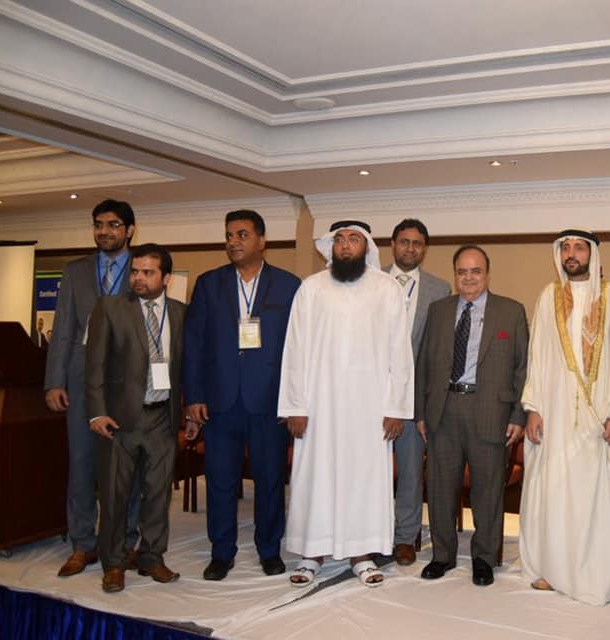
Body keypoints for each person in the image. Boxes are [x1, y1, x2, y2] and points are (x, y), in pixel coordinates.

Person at [278, 220, 413, 588]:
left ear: (366, 246)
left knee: (363, 479)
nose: (346, 245)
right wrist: (295, 406)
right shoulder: (311, 288)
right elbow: (295, 350)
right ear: (331, 246)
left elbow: (400, 353)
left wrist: (396, 408)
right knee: (316, 476)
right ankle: (312, 553)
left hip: (369, 410)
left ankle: (361, 554)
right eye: (339, 239)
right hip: (318, 407)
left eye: (354, 239)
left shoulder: (386, 289)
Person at [183, 209, 301, 580]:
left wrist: (293, 400)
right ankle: (222, 552)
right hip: (220, 401)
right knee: (220, 481)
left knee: (269, 479)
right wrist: (194, 396)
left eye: (242, 234)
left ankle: (269, 549)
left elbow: (298, 348)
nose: (233, 241)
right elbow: (194, 343)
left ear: (262, 240)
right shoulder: (209, 284)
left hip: (269, 401)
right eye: (229, 235)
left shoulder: (289, 285)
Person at [518, 229, 610, 605]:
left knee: (595, 497)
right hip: (555, 413)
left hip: (601, 414)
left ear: (592, 254)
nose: (571, 253)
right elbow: (537, 355)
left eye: (579, 247)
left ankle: (596, 574)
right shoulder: (547, 297)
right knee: (556, 491)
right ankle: (554, 569)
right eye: (565, 247)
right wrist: (533, 407)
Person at [416, 245, 528, 587]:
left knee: (488, 490)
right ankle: (442, 555)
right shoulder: (438, 310)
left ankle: (483, 558)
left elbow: (523, 368)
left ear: (487, 274)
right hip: (443, 409)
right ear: (455, 275)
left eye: (475, 271)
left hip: (491, 411)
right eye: (462, 271)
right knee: (440, 488)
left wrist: (518, 415)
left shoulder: (511, 311)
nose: (468, 278)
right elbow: (423, 364)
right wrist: (420, 412)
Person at [44, 199, 142, 577]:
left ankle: (124, 541)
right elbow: (63, 328)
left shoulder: (143, 267)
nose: (104, 231)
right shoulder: (76, 271)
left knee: (126, 470)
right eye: (99, 224)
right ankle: (83, 544)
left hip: (128, 385)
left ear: (129, 230)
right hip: (82, 381)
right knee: (82, 465)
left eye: (113, 225)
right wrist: (55, 380)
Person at [85, 243, 186, 593]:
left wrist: (188, 411)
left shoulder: (180, 313)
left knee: (158, 494)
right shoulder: (110, 308)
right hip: (119, 421)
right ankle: (113, 564)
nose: (139, 278)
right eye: (135, 271)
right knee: (115, 496)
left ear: (166, 278)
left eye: (148, 272)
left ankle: (151, 557)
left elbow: (184, 367)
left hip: (162, 418)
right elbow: (94, 364)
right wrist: (97, 412)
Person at [381, 218, 451, 566]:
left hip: (413, 398)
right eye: (404, 241)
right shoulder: (370, 280)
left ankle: (405, 538)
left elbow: (438, 348)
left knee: (410, 471)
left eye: (417, 243)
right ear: (393, 244)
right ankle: (373, 534)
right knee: (371, 471)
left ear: (424, 249)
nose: (410, 248)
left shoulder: (440, 289)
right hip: (371, 395)